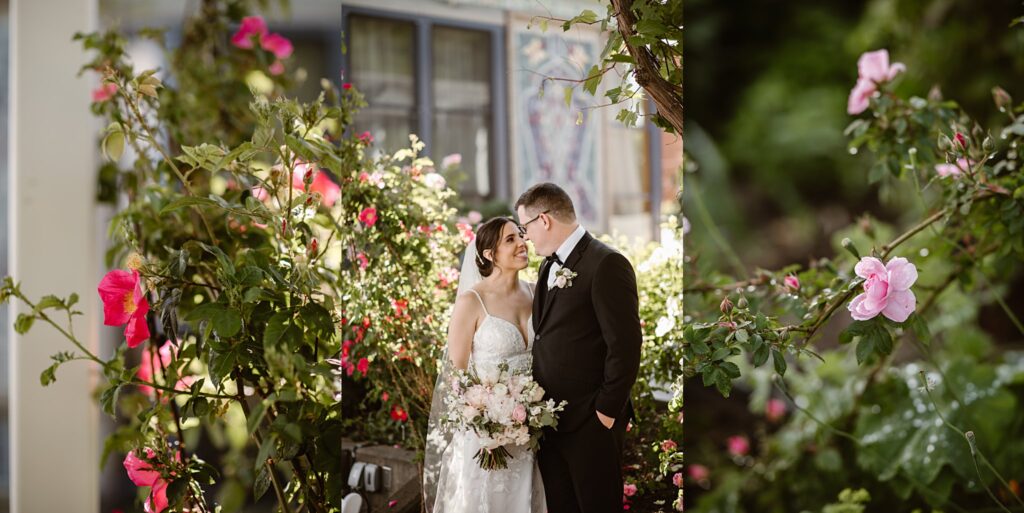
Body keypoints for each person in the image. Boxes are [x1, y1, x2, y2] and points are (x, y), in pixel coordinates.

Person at [515, 182, 642, 513]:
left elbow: (626, 347)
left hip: (591, 424)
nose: (525, 237)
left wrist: (605, 413)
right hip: (550, 422)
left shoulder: (606, 264)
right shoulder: (546, 267)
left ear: (544, 220)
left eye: (525, 227)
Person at [423, 217, 547, 513]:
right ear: (490, 254)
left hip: (531, 432)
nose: (522, 244)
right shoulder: (472, 301)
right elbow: (457, 374)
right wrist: (486, 420)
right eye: (510, 240)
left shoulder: (536, 293)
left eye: (521, 236)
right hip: (485, 439)